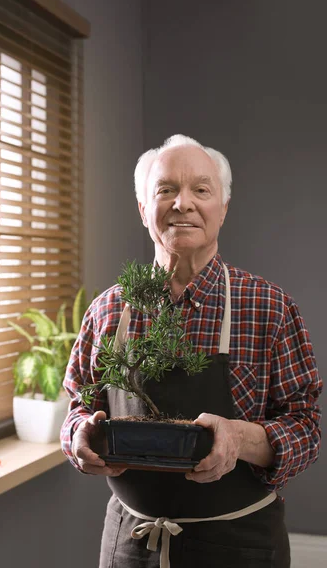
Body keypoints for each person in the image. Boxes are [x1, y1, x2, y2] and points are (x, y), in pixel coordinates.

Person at [61, 135, 322, 568]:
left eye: (201, 189)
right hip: (130, 544)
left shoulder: (269, 307)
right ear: (144, 209)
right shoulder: (108, 309)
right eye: (165, 190)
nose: (182, 203)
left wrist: (238, 438)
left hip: (240, 545)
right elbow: (76, 406)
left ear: (224, 207)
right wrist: (79, 437)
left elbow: (306, 430)